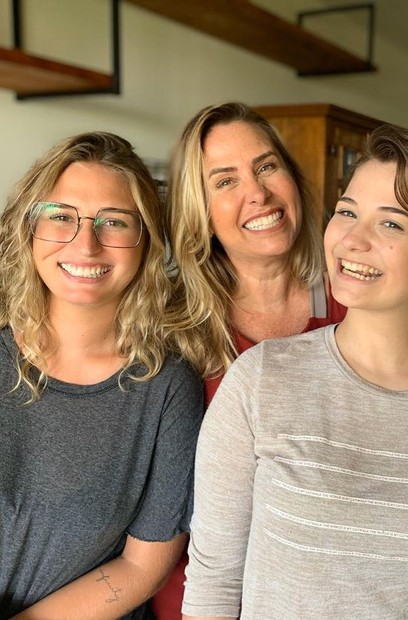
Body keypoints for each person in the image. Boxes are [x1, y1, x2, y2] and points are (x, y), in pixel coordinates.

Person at [181, 124, 408, 619]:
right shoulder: (260, 379)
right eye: (346, 211)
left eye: (391, 223)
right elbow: (214, 583)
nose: (352, 238)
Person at [0, 132, 204, 619]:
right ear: (29, 229)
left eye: (113, 222)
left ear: (146, 241)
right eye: (61, 217)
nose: (85, 244)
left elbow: (142, 566)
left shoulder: (168, 387)